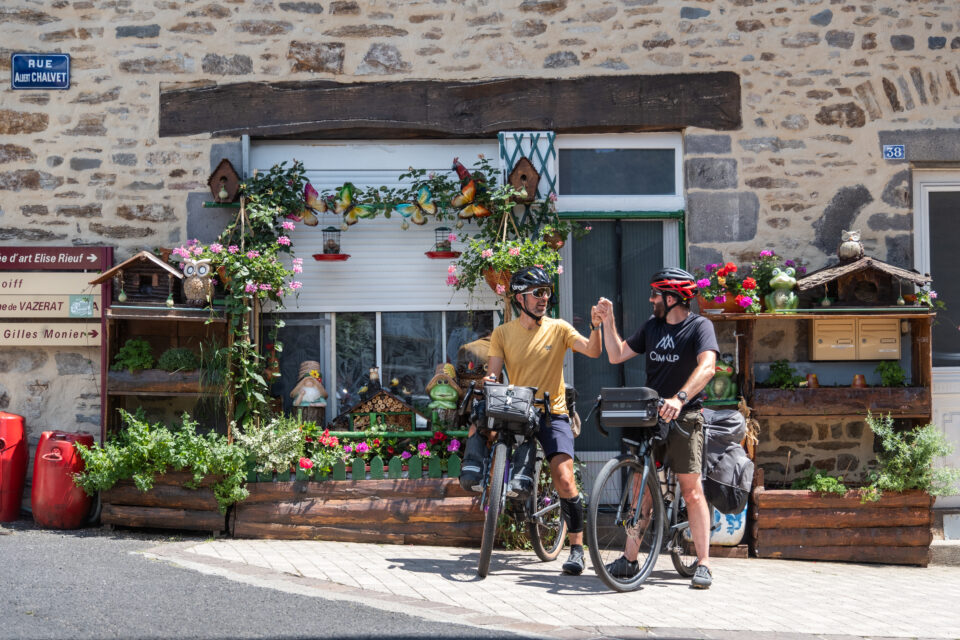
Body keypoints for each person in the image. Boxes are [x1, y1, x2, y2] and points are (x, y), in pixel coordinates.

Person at [459, 266, 603, 576]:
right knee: (479, 422)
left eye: (547, 292)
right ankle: (482, 477)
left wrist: (596, 326)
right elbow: (494, 374)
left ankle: (577, 549)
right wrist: (488, 382)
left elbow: (593, 351)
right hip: (518, 409)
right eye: (538, 293)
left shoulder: (559, 328)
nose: (544, 298)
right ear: (520, 298)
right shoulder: (503, 333)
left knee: (565, 479)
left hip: (552, 411)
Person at [595, 267, 719, 589]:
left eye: (655, 294)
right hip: (651, 419)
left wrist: (680, 398)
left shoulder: (699, 327)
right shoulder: (652, 327)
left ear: (672, 298)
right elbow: (617, 355)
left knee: (691, 491)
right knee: (641, 489)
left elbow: (708, 367)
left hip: (685, 417)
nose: (651, 299)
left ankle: (704, 563)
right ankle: (630, 558)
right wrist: (608, 321)